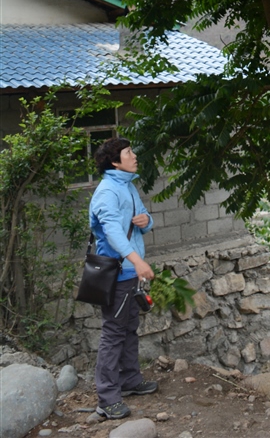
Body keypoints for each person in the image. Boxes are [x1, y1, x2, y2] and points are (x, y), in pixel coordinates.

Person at [89, 137, 158, 420]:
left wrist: (147, 221)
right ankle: (106, 398)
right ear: (116, 161)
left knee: (129, 328)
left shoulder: (127, 186)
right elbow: (113, 232)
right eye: (129, 152)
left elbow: (142, 217)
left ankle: (130, 380)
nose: (134, 155)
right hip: (117, 273)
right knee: (113, 334)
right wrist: (137, 260)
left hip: (129, 273)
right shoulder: (107, 191)